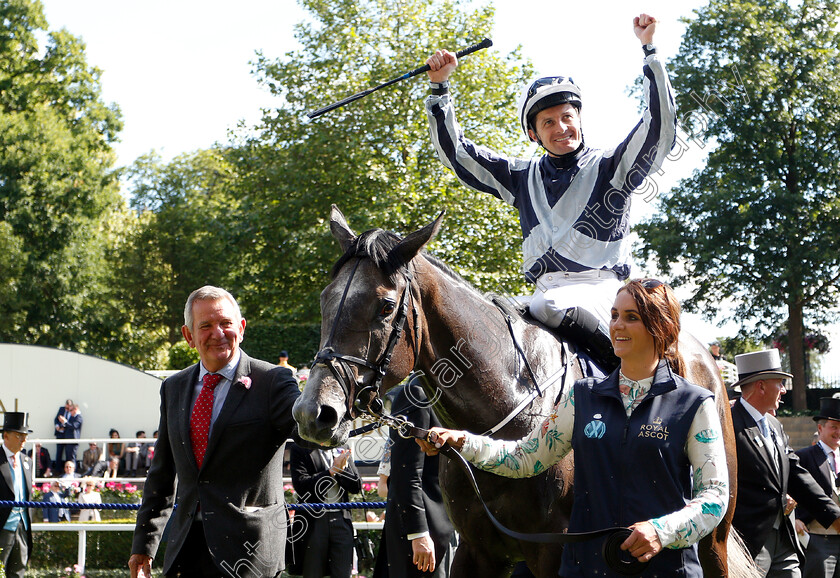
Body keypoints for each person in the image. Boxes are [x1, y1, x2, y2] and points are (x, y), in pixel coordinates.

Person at [418, 279, 729, 576]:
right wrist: (462, 442)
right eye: (614, 315)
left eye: (631, 317)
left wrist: (661, 531)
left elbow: (714, 498)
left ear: (661, 328)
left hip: (664, 568)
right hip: (588, 569)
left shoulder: (694, 404)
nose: (617, 326)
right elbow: (525, 458)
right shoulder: (581, 397)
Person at [424, 14, 676, 369]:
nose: (561, 127)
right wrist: (440, 89)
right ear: (534, 134)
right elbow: (459, 155)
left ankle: (630, 372)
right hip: (542, 292)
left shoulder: (612, 167)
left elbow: (660, 127)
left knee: (548, 305)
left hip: (602, 292)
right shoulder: (521, 177)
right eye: (548, 122)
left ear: (579, 118)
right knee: (488, 320)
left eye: (567, 116)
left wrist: (650, 50)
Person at [129, 285, 301, 578]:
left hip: (251, 553)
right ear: (188, 336)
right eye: (205, 326)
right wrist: (143, 544)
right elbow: (162, 472)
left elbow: (309, 431)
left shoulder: (274, 380)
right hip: (186, 550)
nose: (217, 333)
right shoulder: (173, 387)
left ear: (242, 328)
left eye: (225, 323)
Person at [731, 349, 840, 576]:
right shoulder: (728, 423)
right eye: (780, 383)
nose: (783, 390)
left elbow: (796, 474)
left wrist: (834, 516)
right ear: (761, 386)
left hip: (784, 537)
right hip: (749, 541)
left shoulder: (774, 425)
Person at [382, 379, 456, 578]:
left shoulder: (450, 390)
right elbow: (406, 471)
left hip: (452, 526)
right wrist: (419, 533)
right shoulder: (415, 393)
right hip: (426, 535)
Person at [289, 442, 362, 578]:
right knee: (313, 572)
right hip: (313, 521)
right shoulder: (300, 447)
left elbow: (356, 486)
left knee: (343, 572)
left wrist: (342, 470)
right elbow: (301, 485)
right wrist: (331, 472)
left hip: (341, 518)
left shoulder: (343, 448)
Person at [795, 397, 840, 577]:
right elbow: (792, 489)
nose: (838, 432)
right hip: (819, 538)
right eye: (834, 427)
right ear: (820, 428)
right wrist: (796, 518)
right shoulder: (803, 456)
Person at [0, 411, 34, 578]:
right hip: (2, 527)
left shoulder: (28, 462)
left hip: (22, 527)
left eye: (25, 435)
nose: (24, 440)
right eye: (19, 435)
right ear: (5, 436)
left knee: (18, 573)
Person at [53, 399, 73, 466]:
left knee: (68, 453)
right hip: (60, 434)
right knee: (59, 452)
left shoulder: (72, 412)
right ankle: (57, 469)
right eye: (66, 407)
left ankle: (67, 469)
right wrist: (57, 425)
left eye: (68, 408)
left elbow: (70, 423)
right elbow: (56, 419)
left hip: (67, 435)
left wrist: (62, 425)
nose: (67, 409)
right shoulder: (61, 409)